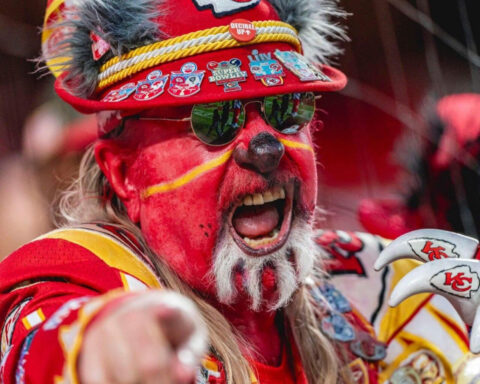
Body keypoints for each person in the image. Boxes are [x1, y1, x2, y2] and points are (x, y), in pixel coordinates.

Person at [0, 1, 476, 383]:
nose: (264, 148)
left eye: (287, 109)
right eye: (214, 120)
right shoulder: (81, 276)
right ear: (124, 174)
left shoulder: (376, 288)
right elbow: (42, 339)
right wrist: (98, 352)